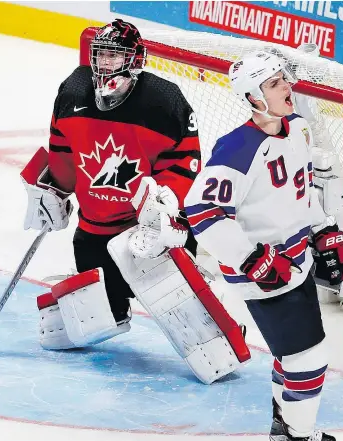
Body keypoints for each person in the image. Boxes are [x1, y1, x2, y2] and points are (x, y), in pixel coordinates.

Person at [20, 19, 248, 384]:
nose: (105, 63)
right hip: (94, 230)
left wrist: (166, 207)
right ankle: (113, 305)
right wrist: (53, 192)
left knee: (211, 351)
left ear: (135, 59)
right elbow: (62, 152)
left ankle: (216, 315)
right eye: (101, 55)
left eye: (115, 55)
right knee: (65, 330)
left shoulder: (165, 101)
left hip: (148, 234)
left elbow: (186, 165)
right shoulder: (73, 91)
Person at [184, 51, 343, 441]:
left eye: (284, 80)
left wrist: (320, 228)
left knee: (290, 353)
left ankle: (285, 428)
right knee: (308, 358)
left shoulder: (297, 129)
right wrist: (251, 258)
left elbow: (299, 193)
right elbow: (202, 212)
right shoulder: (238, 147)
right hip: (264, 272)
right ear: (253, 97)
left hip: (293, 262)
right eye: (274, 84)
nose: (286, 88)